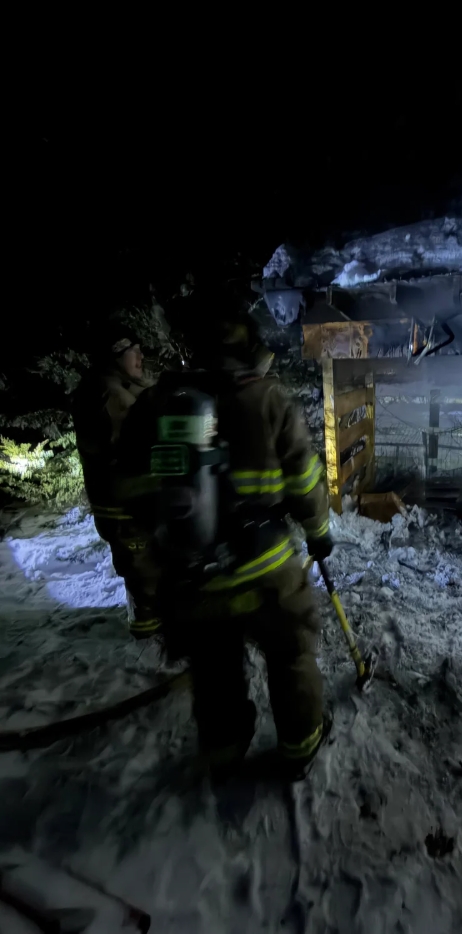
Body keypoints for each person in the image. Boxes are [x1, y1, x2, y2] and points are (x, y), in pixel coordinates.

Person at [117, 313, 332, 780]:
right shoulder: (267, 398)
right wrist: (319, 532)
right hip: (267, 567)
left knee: (214, 669)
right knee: (290, 654)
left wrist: (163, 540)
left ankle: (224, 748)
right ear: (248, 346)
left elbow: (129, 488)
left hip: (193, 576)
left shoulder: (156, 404)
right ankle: (300, 747)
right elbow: (304, 480)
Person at [72, 325, 162, 639]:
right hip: (123, 503)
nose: (140, 355)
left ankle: (151, 622)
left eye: (139, 348)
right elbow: (128, 446)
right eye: (131, 351)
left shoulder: (124, 386)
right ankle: (147, 639)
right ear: (114, 356)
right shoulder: (108, 392)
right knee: (141, 570)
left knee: (146, 565)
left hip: (130, 498)